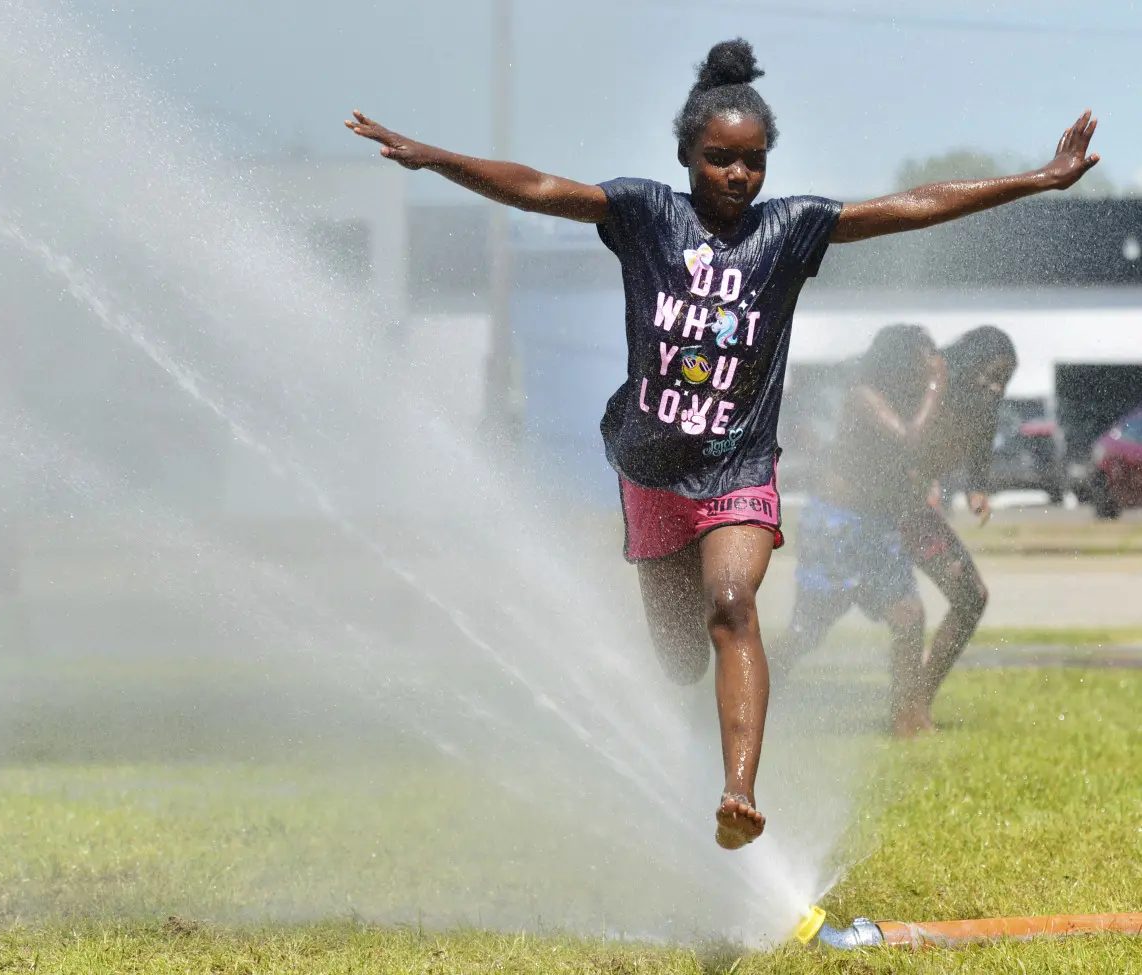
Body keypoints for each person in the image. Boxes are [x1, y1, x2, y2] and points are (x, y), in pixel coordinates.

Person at [346, 38, 1100, 849]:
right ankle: (694, 739)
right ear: (686, 156)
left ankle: (738, 791)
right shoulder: (644, 214)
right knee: (679, 660)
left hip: (738, 467)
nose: (738, 176)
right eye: (719, 160)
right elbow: (540, 189)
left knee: (733, 605)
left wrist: (1036, 179)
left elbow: (911, 204)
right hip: (651, 471)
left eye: (753, 161)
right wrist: (432, 159)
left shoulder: (791, 231)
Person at [776, 326, 947, 737]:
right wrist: (936, 389)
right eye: (924, 362)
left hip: (877, 529)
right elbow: (908, 440)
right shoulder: (865, 397)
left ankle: (906, 717)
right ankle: (750, 690)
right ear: (900, 362)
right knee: (808, 630)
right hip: (840, 527)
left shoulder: (905, 401)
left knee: (909, 616)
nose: (931, 370)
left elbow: (913, 453)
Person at [902, 326, 1018, 725]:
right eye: (994, 375)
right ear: (969, 365)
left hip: (913, 512)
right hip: (877, 511)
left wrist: (977, 489)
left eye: (1006, 380)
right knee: (812, 624)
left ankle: (916, 703)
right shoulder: (930, 386)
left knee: (971, 596)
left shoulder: (981, 405)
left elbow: (982, 443)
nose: (999, 388)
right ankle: (765, 693)